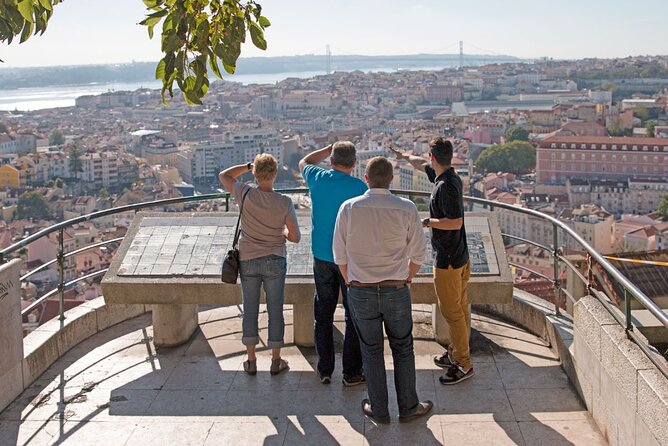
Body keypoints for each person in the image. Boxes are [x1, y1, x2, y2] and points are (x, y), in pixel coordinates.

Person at [333, 156, 433, 424]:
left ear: (366, 178)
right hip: (396, 288)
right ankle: (409, 407)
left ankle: (378, 409)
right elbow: (419, 253)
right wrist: (407, 279)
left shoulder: (349, 208)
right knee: (403, 348)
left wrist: (351, 281)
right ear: (391, 179)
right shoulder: (407, 208)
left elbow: (339, 254)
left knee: (371, 350)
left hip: (361, 290)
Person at [390, 138, 474, 385]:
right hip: (460, 255)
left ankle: (464, 363)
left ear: (434, 156)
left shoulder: (446, 185)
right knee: (459, 307)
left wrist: (428, 222)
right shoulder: (448, 175)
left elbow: (455, 221)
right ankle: (457, 353)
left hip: (448, 259)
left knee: (452, 312)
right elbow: (420, 164)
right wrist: (404, 155)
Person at [219, 154, 301, 376]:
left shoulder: (245, 193)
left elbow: (224, 175)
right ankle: (276, 360)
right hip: (275, 257)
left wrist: (247, 166)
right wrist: (283, 232)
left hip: (248, 258)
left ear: (255, 173)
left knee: (250, 309)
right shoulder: (284, 202)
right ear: (275, 174)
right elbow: (295, 237)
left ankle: (251, 360)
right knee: (276, 310)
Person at [299, 141, 367, 386]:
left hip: (322, 257)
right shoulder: (360, 187)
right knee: (353, 314)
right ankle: (351, 372)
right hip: (349, 260)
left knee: (324, 314)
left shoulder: (317, 177)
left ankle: (325, 369)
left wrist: (327, 149)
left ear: (331, 160)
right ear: (354, 164)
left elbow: (304, 161)